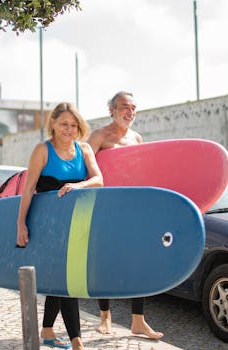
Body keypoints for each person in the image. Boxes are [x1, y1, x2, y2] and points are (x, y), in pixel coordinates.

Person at [17, 102, 103, 350]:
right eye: (64, 123)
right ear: (53, 123)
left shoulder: (84, 149)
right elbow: (28, 190)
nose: (69, 129)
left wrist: (79, 185)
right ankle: (77, 342)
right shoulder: (42, 150)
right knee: (67, 280)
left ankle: (46, 330)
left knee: (60, 278)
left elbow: (99, 179)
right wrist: (21, 223)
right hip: (49, 228)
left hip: (78, 225)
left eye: (74, 125)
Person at [87, 91, 164, 340]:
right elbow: (85, 170)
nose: (129, 112)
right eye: (124, 107)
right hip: (105, 207)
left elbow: (141, 173)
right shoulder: (99, 136)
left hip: (132, 207)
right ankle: (105, 317)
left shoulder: (136, 138)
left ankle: (138, 321)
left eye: (133, 108)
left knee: (137, 262)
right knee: (105, 262)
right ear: (111, 109)